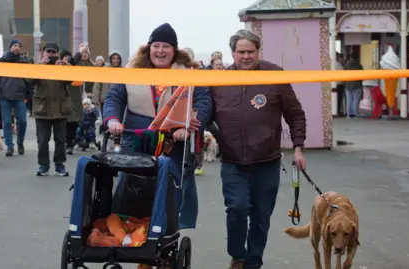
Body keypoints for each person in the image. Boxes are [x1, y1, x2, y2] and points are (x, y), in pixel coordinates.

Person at [211, 29, 307, 269]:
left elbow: (295, 115)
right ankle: (237, 254)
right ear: (232, 53)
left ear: (258, 51)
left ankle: (253, 263)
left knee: (261, 218)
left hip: (267, 162)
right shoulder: (219, 81)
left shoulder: (275, 76)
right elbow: (206, 114)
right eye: (241, 52)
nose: (246, 57)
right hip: (233, 162)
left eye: (250, 52)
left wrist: (298, 147)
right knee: (237, 208)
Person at [103, 23, 212, 229]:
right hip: (137, 139)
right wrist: (113, 120)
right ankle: (133, 231)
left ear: (175, 50)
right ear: (149, 48)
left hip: (174, 142)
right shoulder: (132, 71)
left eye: (166, 46)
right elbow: (114, 98)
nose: (160, 51)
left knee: (169, 191)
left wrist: (187, 125)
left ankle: (164, 233)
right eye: (156, 46)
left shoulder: (189, 74)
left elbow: (203, 101)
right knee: (132, 187)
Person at [32, 42, 72, 176]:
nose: (51, 54)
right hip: (42, 109)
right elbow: (28, 80)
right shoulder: (38, 67)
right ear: (43, 53)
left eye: (53, 52)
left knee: (60, 139)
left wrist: (65, 66)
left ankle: (59, 165)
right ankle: (43, 165)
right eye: (48, 52)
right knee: (42, 140)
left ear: (57, 53)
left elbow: (73, 78)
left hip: (60, 109)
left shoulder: (62, 67)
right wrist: (39, 66)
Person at [0, 39, 31, 156]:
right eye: (15, 45)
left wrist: (28, 93)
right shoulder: (1, 61)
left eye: (19, 46)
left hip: (20, 96)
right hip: (5, 96)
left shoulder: (25, 62)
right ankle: (9, 146)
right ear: (10, 47)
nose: (17, 47)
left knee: (22, 121)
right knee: (7, 122)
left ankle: (20, 142)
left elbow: (29, 79)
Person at [59, 49, 84, 155]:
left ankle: (70, 143)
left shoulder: (76, 68)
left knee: (73, 123)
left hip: (75, 98)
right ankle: (67, 144)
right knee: (65, 123)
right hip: (63, 98)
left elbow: (80, 82)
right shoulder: (59, 69)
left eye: (69, 57)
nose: (67, 59)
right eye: (65, 57)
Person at [344, 53, 364, 119]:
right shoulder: (359, 65)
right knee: (356, 100)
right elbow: (362, 75)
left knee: (349, 100)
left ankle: (349, 114)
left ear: (350, 57)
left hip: (348, 85)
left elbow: (343, 75)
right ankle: (355, 114)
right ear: (357, 58)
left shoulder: (346, 65)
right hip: (357, 85)